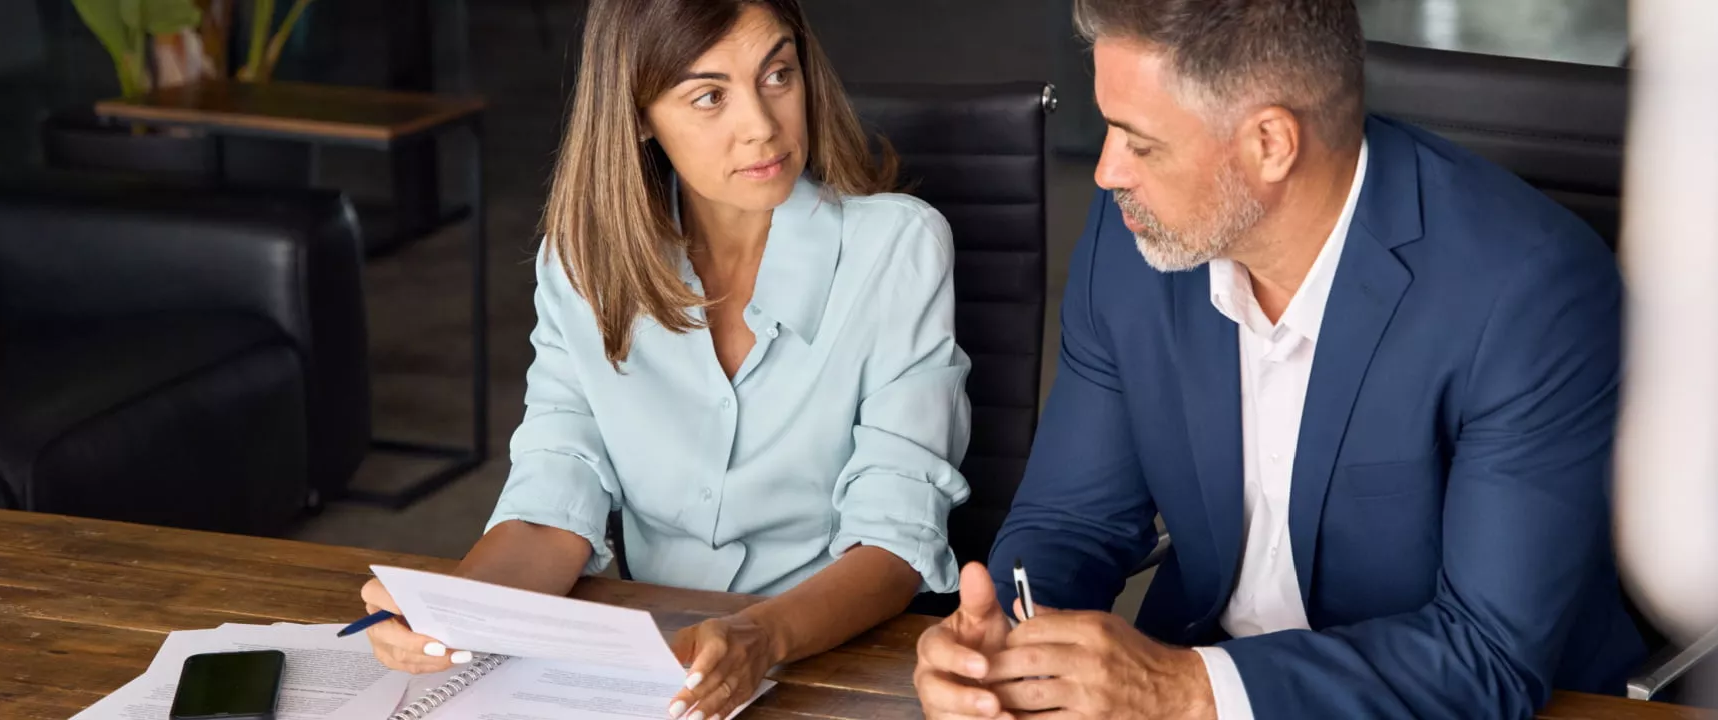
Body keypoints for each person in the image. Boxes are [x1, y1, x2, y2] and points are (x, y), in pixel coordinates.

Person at [914, 0, 1645, 718]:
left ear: (1271, 143)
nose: (1106, 174)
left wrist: (1185, 692)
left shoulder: (1529, 294)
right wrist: (1002, 651)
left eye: (1140, 142)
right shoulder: (1135, 240)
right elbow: (1072, 524)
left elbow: (1485, 655)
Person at [356, 2, 972, 719]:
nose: (762, 125)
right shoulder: (584, 262)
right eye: (709, 95)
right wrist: (452, 611)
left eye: (777, 74)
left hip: (839, 664)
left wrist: (758, 636)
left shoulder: (898, 249)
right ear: (639, 114)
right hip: (652, 673)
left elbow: (894, 543)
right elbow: (555, 496)